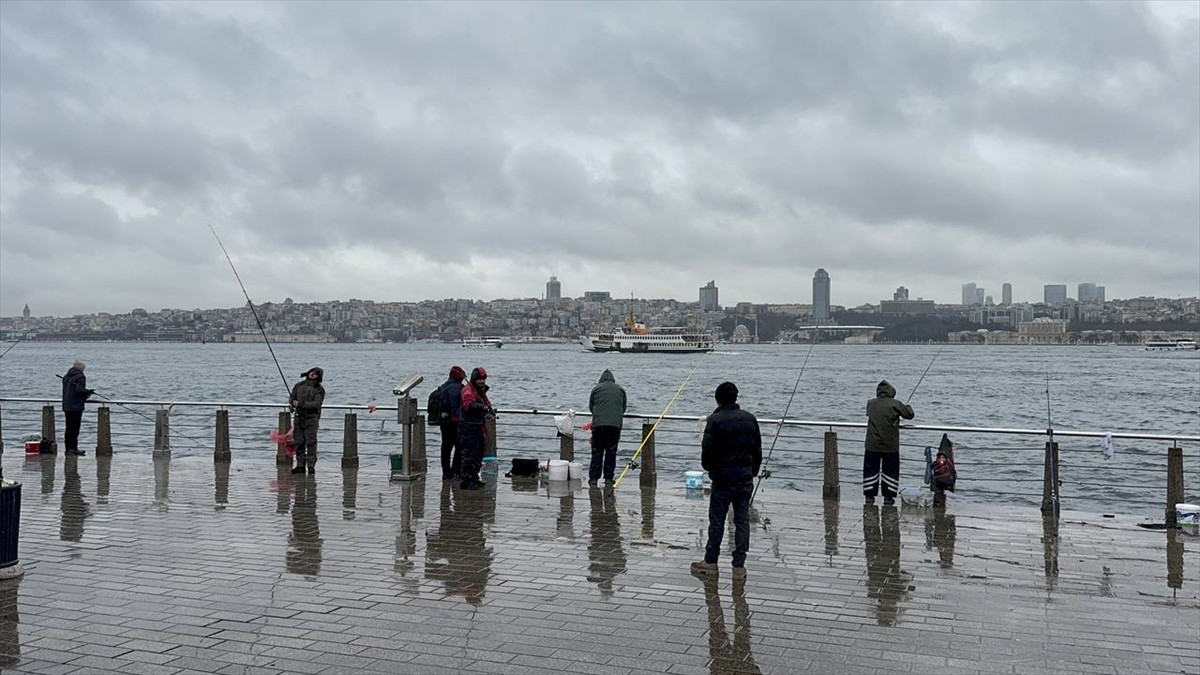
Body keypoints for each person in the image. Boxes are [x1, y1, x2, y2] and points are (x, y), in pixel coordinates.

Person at [691, 382, 761, 580]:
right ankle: (739, 565)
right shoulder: (750, 419)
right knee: (742, 520)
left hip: (722, 479)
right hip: (744, 478)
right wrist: (752, 471)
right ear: (736, 397)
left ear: (718, 398)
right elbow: (757, 449)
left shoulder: (715, 420)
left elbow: (707, 450)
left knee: (717, 520)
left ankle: (711, 561)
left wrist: (709, 468)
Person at [863, 380, 915, 505]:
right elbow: (909, 415)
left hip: (872, 444)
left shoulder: (871, 403)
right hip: (890, 445)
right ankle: (888, 497)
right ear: (892, 392)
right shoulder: (896, 404)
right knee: (890, 471)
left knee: (870, 471)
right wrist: (907, 406)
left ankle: (869, 496)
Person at [587, 369, 627, 487]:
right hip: (615, 425)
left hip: (599, 425)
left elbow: (591, 406)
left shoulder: (596, 389)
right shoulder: (620, 389)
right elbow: (623, 407)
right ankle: (609, 478)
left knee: (597, 451)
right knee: (611, 451)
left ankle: (594, 478)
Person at [458, 367, 494, 490]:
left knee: (478, 454)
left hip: (478, 426)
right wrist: (479, 407)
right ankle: (466, 480)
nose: (482, 382)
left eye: (483, 379)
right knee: (469, 455)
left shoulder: (480, 391)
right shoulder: (468, 390)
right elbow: (468, 405)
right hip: (468, 427)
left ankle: (474, 478)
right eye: (479, 379)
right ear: (474, 379)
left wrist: (489, 409)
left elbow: (486, 401)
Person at [290, 367, 325, 475]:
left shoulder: (319, 389)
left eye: (316, 373)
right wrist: (292, 404)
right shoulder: (298, 385)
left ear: (318, 376)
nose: (313, 374)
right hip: (298, 419)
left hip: (311, 419)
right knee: (299, 442)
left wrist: (301, 404)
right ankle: (300, 465)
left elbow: (317, 403)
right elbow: (292, 398)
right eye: (312, 372)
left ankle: (311, 466)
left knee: (311, 443)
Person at [438, 366, 467, 479]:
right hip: (455, 421)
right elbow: (457, 407)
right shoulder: (459, 388)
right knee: (459, 446)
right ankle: (455, 471)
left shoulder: (443, 386)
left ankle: (446, 473)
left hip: (444, 421)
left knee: (446, 447)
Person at [61, 360, 95, 456]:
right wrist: (88, 392)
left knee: (68, 428)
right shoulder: (81, 376)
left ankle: (68, 449)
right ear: (82, 369)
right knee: (75, 428)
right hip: (76, 406)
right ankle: (73, 449)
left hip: (67, 405)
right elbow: (79, 390)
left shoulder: (66, 376)